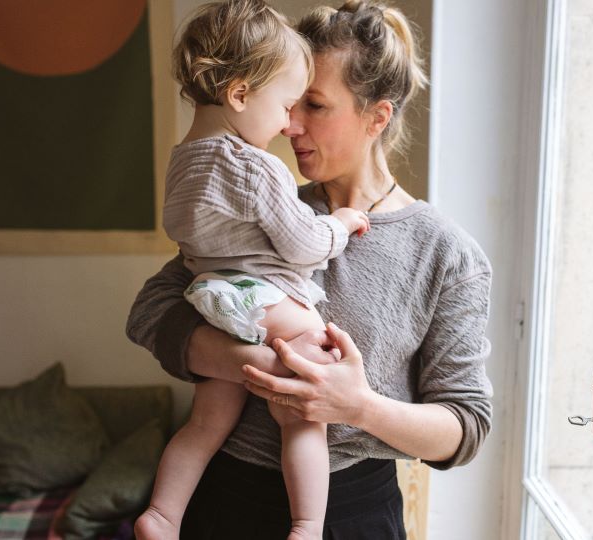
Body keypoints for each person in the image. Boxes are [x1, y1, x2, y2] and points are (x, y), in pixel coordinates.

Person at [128, 1, 494, 538]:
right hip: (223, 498)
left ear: (378, 116)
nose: (290, 124)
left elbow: (466, 429)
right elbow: (148, 313)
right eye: (290, 103)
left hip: (350, 514)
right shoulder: (255, 203)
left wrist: (358, 405)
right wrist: (246, 362)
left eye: (315, 106)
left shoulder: (444, 253)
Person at [136, 1, 371, 539]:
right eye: (288, 105)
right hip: (261, 297)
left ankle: (161, 515)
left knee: (205, 422)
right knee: (304, 405)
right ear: (240, 94)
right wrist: (338, 222)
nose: (289, 124)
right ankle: (308, 526)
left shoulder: (182, 160)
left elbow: (185, 237)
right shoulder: (253, 165)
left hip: (211, 299)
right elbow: (303, 244)